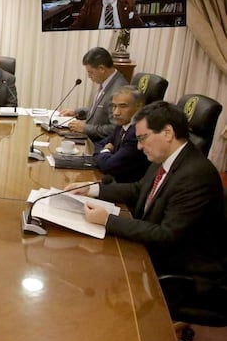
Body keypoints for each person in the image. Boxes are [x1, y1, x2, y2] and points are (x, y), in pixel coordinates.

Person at [67, 101, 225, 277]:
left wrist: (107, 220)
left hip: (180, 268)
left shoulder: (195, 175)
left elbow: (167, 235)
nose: (139, 146)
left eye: (142, 138)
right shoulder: (167, 157)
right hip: (152, 246)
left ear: (167, 133)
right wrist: (92, 190)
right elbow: (138, 189)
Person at [61, 47, 128, 141]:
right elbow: (101, 111)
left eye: (90, 72)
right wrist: (76, 112)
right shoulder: (107, 82)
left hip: (99, 145)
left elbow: (116, 129)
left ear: (101, 69)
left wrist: (85, 128)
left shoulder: (118, 90)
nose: (89, 76)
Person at [93, 86, 150, 182]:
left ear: (139, 107)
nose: (116, 113)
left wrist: (106, 150)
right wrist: (106, 153)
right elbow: (98, 145)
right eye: (114, 106)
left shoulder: (137, 134)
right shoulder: (122, 124)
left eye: (123, 106)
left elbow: (109, 165)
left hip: (126, 189)